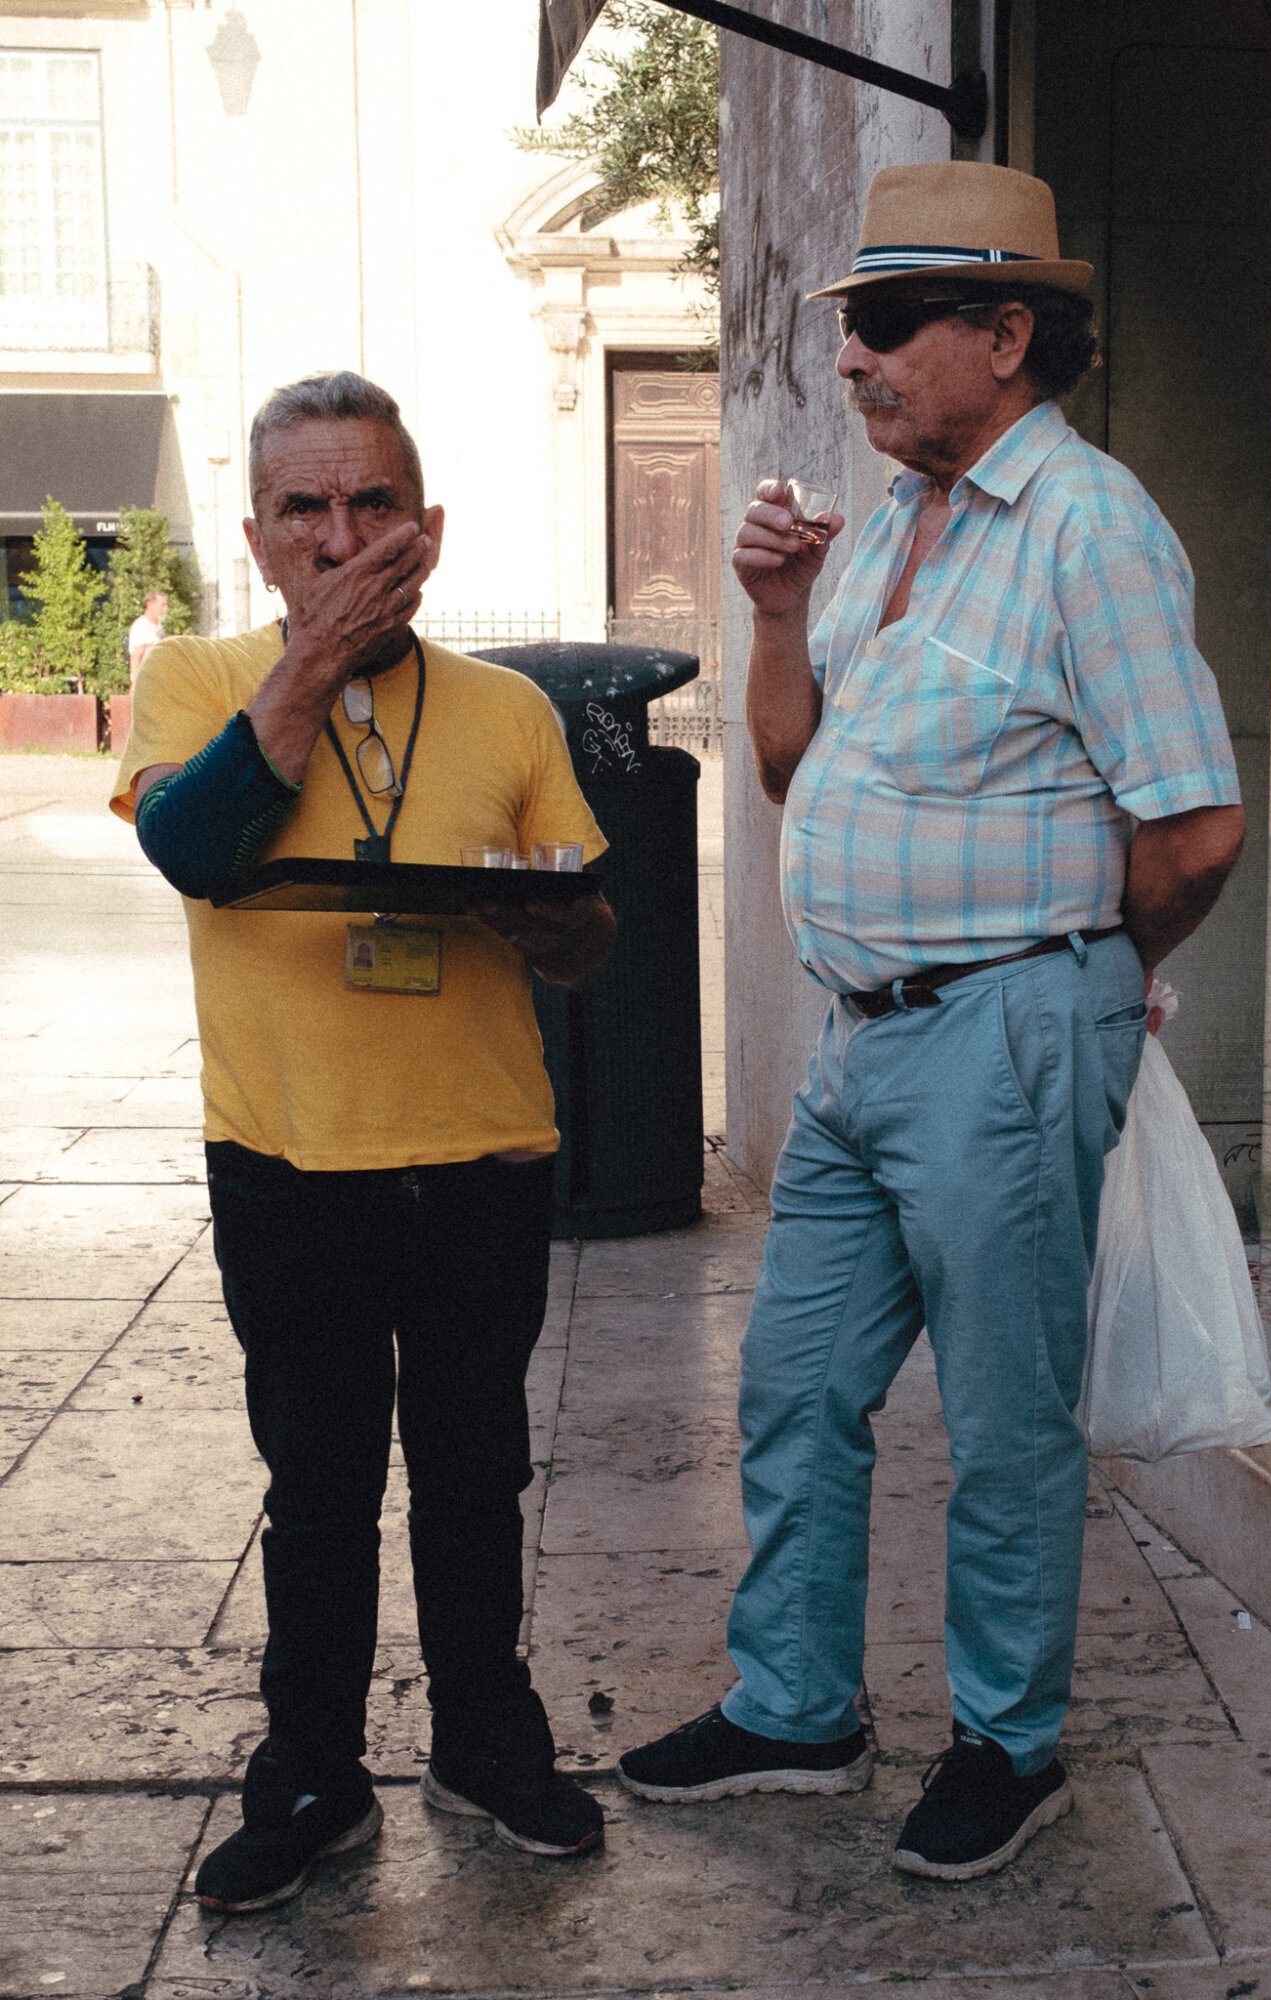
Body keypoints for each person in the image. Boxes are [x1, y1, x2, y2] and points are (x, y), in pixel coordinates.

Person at [617, 162, 1245, 1882]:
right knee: (795, 1383)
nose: (859, 361)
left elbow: (1195, 829)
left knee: (1003, 1418)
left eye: (891, 326)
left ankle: (1008, 1743)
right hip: (860, 1042)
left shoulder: (1092, 530)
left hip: (1002, 1033)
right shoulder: (890, 519)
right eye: (852, 327)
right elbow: (787, 764)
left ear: (1007, 331)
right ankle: (797, 1706)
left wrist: (1074, 989)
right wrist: (767, 614)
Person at [109, 372, 617, 1913]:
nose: (342, 536)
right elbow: (192, 847)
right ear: (259, 538)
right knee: (318, 1487)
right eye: (306, 512)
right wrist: (314, 667)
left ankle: (486, 1739)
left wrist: (553, 920)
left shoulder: (511, 710)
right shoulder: (199, 680)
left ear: (429, 526)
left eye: (372, 504)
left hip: (482, 1158)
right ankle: (312, 1774)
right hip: (289, 1160)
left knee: (476, 1471)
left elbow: (591, 940)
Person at [128, 589, 169, 685]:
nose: (166, 609)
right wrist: (136, 685)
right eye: (163, 605)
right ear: (150, 605)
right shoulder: (142, 626)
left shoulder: (158, 626)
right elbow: (136, 657)